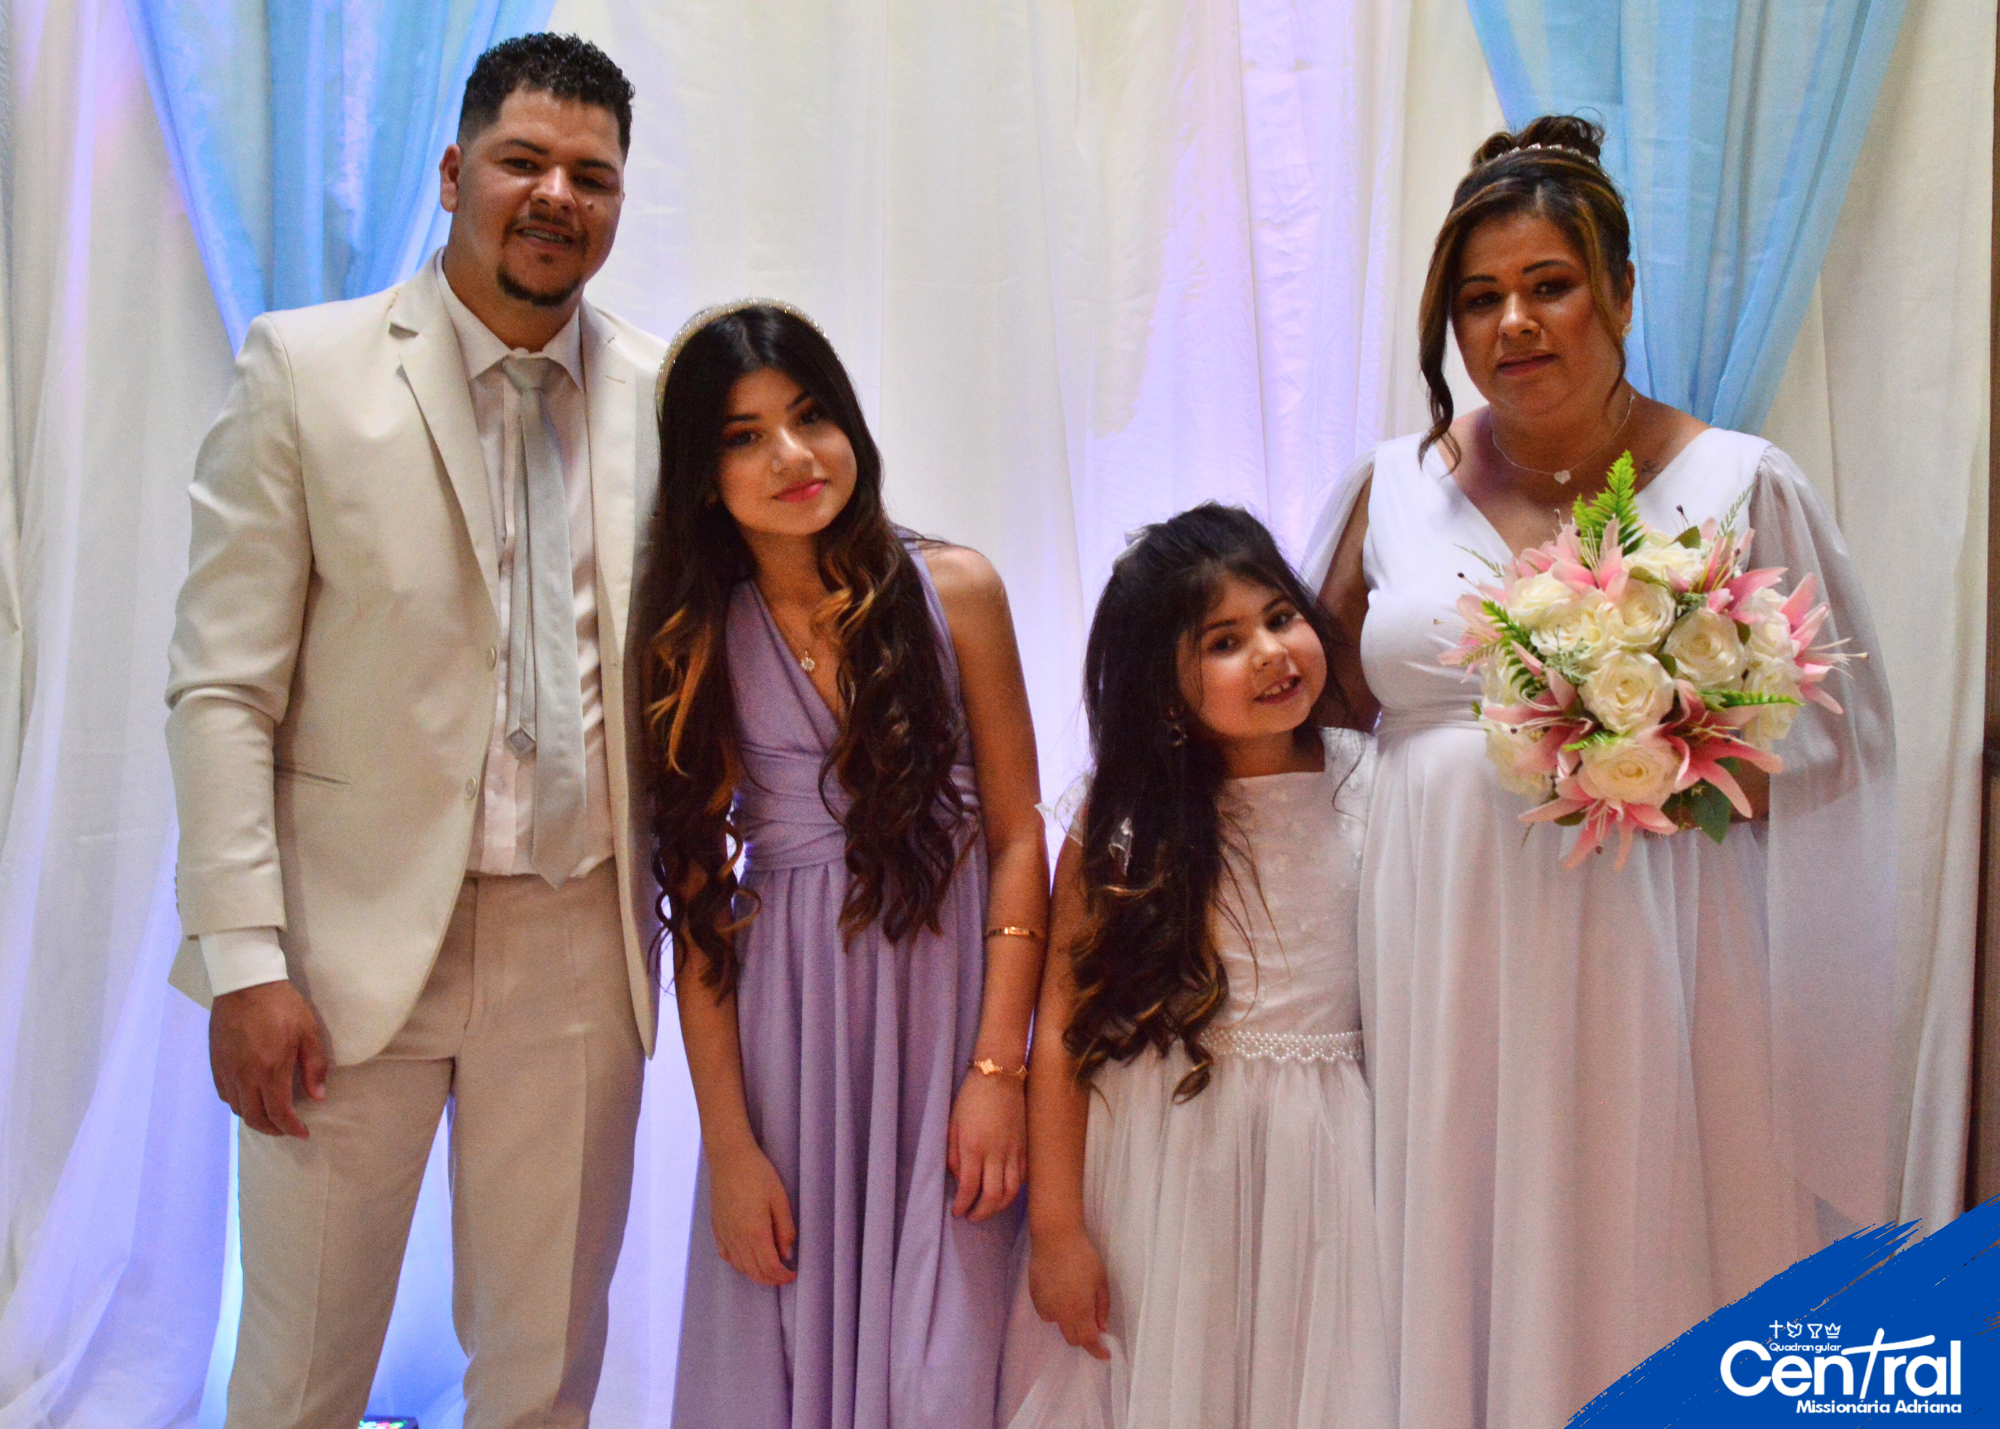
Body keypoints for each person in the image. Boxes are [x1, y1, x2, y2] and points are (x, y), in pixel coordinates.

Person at [1303, 115, 1899, 1427]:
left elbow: (1835, 742)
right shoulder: (1387, 487)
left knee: (1645, 1214)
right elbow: (1309, 712)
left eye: (1549, 284)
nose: (1514, 322)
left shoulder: (1740, 481)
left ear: (1620, 293)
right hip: (1442, 953)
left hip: (1656, 948)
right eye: (1479, 298)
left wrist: (1675, 735)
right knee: (1457, 1227)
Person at [164, 34, 665, 1429]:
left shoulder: (663, 396)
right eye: (523, 161)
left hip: (578, 944)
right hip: (341, 951)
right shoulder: (306, 371)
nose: (556, 195)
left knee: (542, 1375)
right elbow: (221, 689)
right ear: (452, 173)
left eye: (592, 176)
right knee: (297, 1378)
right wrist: (245, 957)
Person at [642, 302, 1048, 1429]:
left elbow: (1018, 837)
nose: (791, 455)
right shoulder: (698, 637)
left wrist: (998, 1069)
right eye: (744, 435)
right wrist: (730, 1148)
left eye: (810, 415)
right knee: (784, 1349)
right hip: (794, 1035)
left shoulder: (956, 590)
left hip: (949, 1026)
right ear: (701, 471)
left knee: (947, 1361)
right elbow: (698, 904)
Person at [1000, 504, 1393, 1429]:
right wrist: (1056, 1229)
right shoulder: (1123, 819)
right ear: (1166, 692)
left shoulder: (1373, 778)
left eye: (1280, 617)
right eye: (1225, 640)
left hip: (1327, 1159)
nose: (1271, 651)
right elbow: (1063, 1031)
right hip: (1166, 1164)